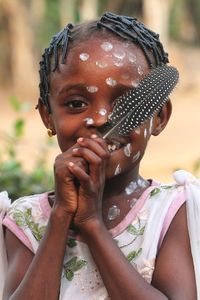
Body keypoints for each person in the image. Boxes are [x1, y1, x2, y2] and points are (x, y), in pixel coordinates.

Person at [2, 12, 198, 300]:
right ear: (48, 118)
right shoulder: (27, 220)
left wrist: (91, 223)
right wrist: (61, 217)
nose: (100, 118)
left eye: (123, 102)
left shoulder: (172, 211)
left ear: (158, 117)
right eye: (76, 103)